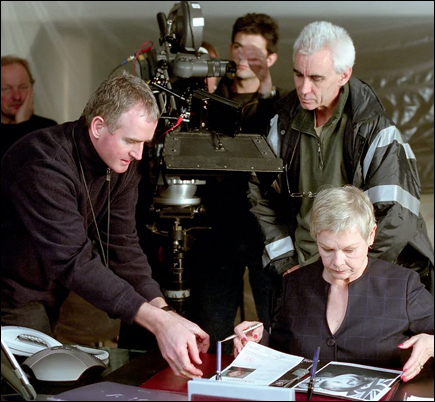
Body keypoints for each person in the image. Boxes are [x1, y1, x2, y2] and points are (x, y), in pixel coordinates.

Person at [1, 71, 209, 379]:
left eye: (144, 143)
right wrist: (158, 322)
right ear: (98, 126)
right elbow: (74, 261)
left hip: (47, 292)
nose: (138, 153)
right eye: (131, 141)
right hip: (10, 293)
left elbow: (122, 245)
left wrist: (164, 312)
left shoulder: (122, 163)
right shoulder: (44, 164)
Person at [248, 20, 434, 294]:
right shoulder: (281, 126)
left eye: (316, 78)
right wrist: (287, 263)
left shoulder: (376, 132)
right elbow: (260, 197)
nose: (303, 88)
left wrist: (350, 276)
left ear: (344, 75)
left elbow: (396, 218)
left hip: (366, 277)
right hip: (302, 274)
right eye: (298, 74)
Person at [234, 185, 434, 383]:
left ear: (371, 235)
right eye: (327, 249)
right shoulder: (295, 284)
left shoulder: (402, 285)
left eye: (349, 250)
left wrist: (431, 343)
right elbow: (282, 350)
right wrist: (257, 340)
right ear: (316, 238)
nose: (337, 262)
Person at [189, 13, 284, 354]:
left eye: (254, 53)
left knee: (277, 329)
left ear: (271, 59)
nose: (242, 58)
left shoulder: (282, 109)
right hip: (216, 231)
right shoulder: (208, 102)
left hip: (267, 233)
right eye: (237, 48)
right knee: (210, 332)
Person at [1, 55, 57, 159]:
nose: (17, 96)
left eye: (23, 87)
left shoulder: (48, 129)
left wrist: (23, 124)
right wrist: (22, 127)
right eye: (6, 89)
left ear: (32, 89)